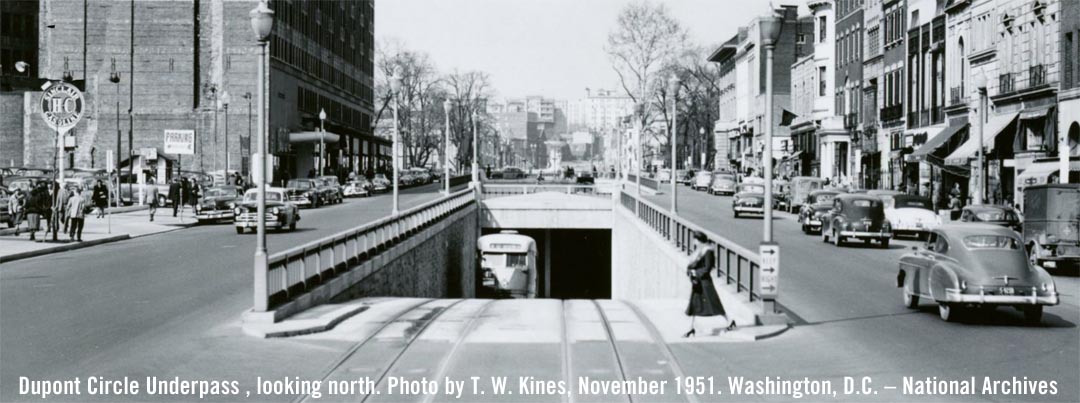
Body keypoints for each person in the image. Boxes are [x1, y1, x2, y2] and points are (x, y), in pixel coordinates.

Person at [683, 231, 735, 338]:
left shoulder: (708, 251)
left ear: (699, 240)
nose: (693, 241)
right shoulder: (699, 251)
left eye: (695, 239)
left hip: (705, 282)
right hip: (697, 281)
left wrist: (695, 272)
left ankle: (730, 321)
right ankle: (691, 328)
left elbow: (708, 268)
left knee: (714, 303)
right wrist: (691, 271)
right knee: (694, 303)